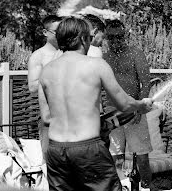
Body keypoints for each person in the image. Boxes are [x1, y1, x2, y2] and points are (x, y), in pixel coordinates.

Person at [38, 17, 153, 191]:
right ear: (83, 39)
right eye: (90, 38)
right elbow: (124, 104)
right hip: (88, 149)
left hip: (55, 150)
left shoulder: (46, 71)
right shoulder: (97, 65)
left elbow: (46, 117)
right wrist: (141, 105)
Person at [103, 19, 153, 189]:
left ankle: (145, 188)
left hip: (134, 109)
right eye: (111, 37)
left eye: (119, 37)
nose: (115, 41)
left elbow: (146, 83)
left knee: (142, 158)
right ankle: (122, 188)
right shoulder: (104, 57)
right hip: (112, 111)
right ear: (106, 38)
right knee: (115, 157)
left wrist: (140, 109)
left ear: (125, 36)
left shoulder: (135, 53)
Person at [27, 14, 63, 156]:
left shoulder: (69, 52)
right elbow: (33, 87)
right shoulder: (39, 56)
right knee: (50, 159)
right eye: (56, 32)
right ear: (45, 32)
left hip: (71, 116)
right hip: (49, 117)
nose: (61, 35)